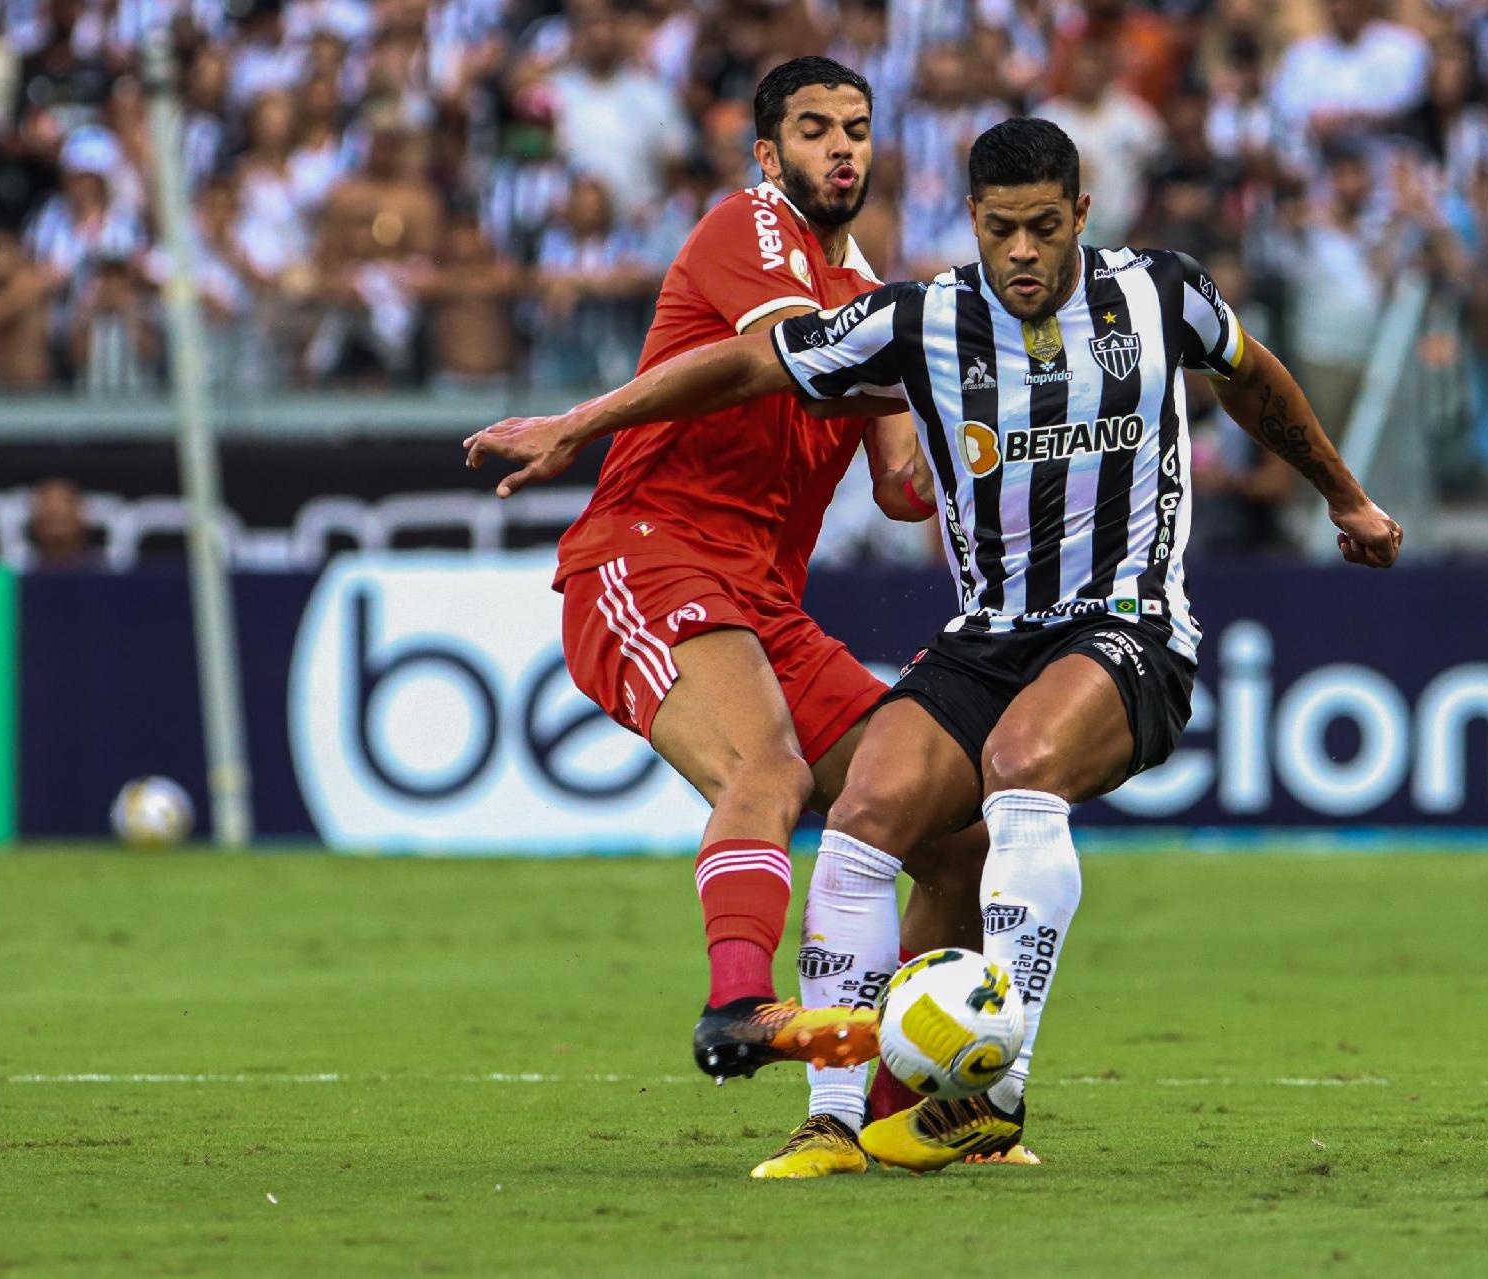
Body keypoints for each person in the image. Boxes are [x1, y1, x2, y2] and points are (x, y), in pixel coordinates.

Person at [469, 116, 1402, 1171]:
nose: (1021, 253)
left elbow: (1253, 376)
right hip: (985, 635)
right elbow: (740, 367)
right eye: (1001, 229)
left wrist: (1346, 495)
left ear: (1080, 216)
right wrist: (581, 423)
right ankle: (833, 1118)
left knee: (1019, 765)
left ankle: (993, 1093)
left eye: (1044, 228)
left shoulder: (1161, 291)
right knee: (870, 809)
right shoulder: (919, 320)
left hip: (1128, 624)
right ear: (972, 221)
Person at [466, 56, 993, 1179]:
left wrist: (991, 433)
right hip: (649, 554)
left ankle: (887, 1112)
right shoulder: (749, 227)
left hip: (764, 599)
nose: (841, 148)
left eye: (856, 128)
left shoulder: (880, 304)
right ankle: (738, 1006)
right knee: (772, 767)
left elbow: (902, 486)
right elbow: (782, 362)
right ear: (770, 155)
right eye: (814, 130)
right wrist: (583, 422)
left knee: (955, 827)